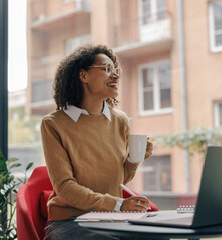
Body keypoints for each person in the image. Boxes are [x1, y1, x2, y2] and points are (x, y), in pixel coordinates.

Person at [40, 44, 153, 240]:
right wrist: (118, 204)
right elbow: (65, 188)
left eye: (116, 70)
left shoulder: (120, 121)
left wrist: (134, 158)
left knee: (157, 237)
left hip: (109, 219)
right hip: (69, 221)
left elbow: (116, 181)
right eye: (106, 69)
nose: (115, 75)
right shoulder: (54, 124)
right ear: (83, 76)